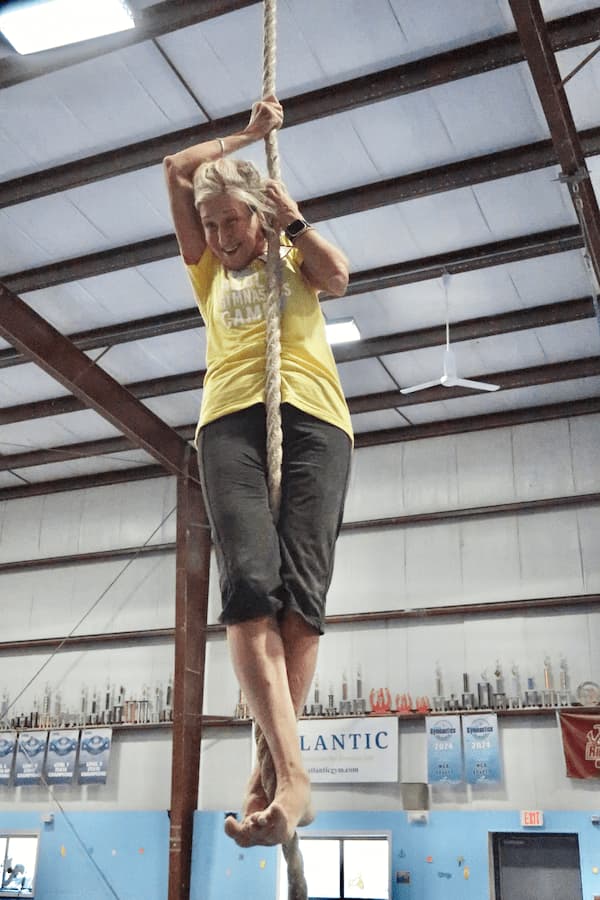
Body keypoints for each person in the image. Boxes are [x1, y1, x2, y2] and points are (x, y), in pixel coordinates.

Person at [163, 96, 353, 848]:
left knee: (303, 597)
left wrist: (294, 222)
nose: (220, 237)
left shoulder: (287, 251)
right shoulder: (207, 269)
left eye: (231, 224)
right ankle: (294, 773)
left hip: (315, 418)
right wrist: (249, 134)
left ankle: (269, 771)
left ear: (257, 215)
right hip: (229, 421)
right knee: (249, 587)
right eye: (209, 227)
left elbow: (338, 279)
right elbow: (176, 169)